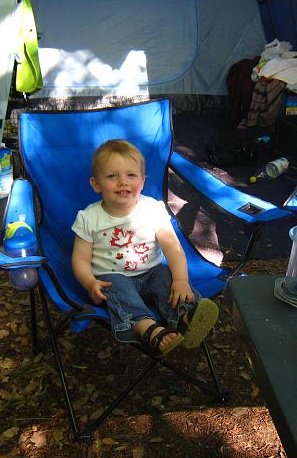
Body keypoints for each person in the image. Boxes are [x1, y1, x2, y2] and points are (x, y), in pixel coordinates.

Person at [71, 139, 219, 357]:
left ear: (142, 182)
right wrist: (89, 282)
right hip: (114, 279)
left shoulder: (152, 209)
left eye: (131, 175)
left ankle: (185, 317)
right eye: (112, 176)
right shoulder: (89, 218)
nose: (123, 181)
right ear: (96, 184)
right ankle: (147, 327)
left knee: (165, 276)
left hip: (151, 273)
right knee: (114, 285)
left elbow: (173, 248)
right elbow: (80, 259)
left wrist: (181, 280)